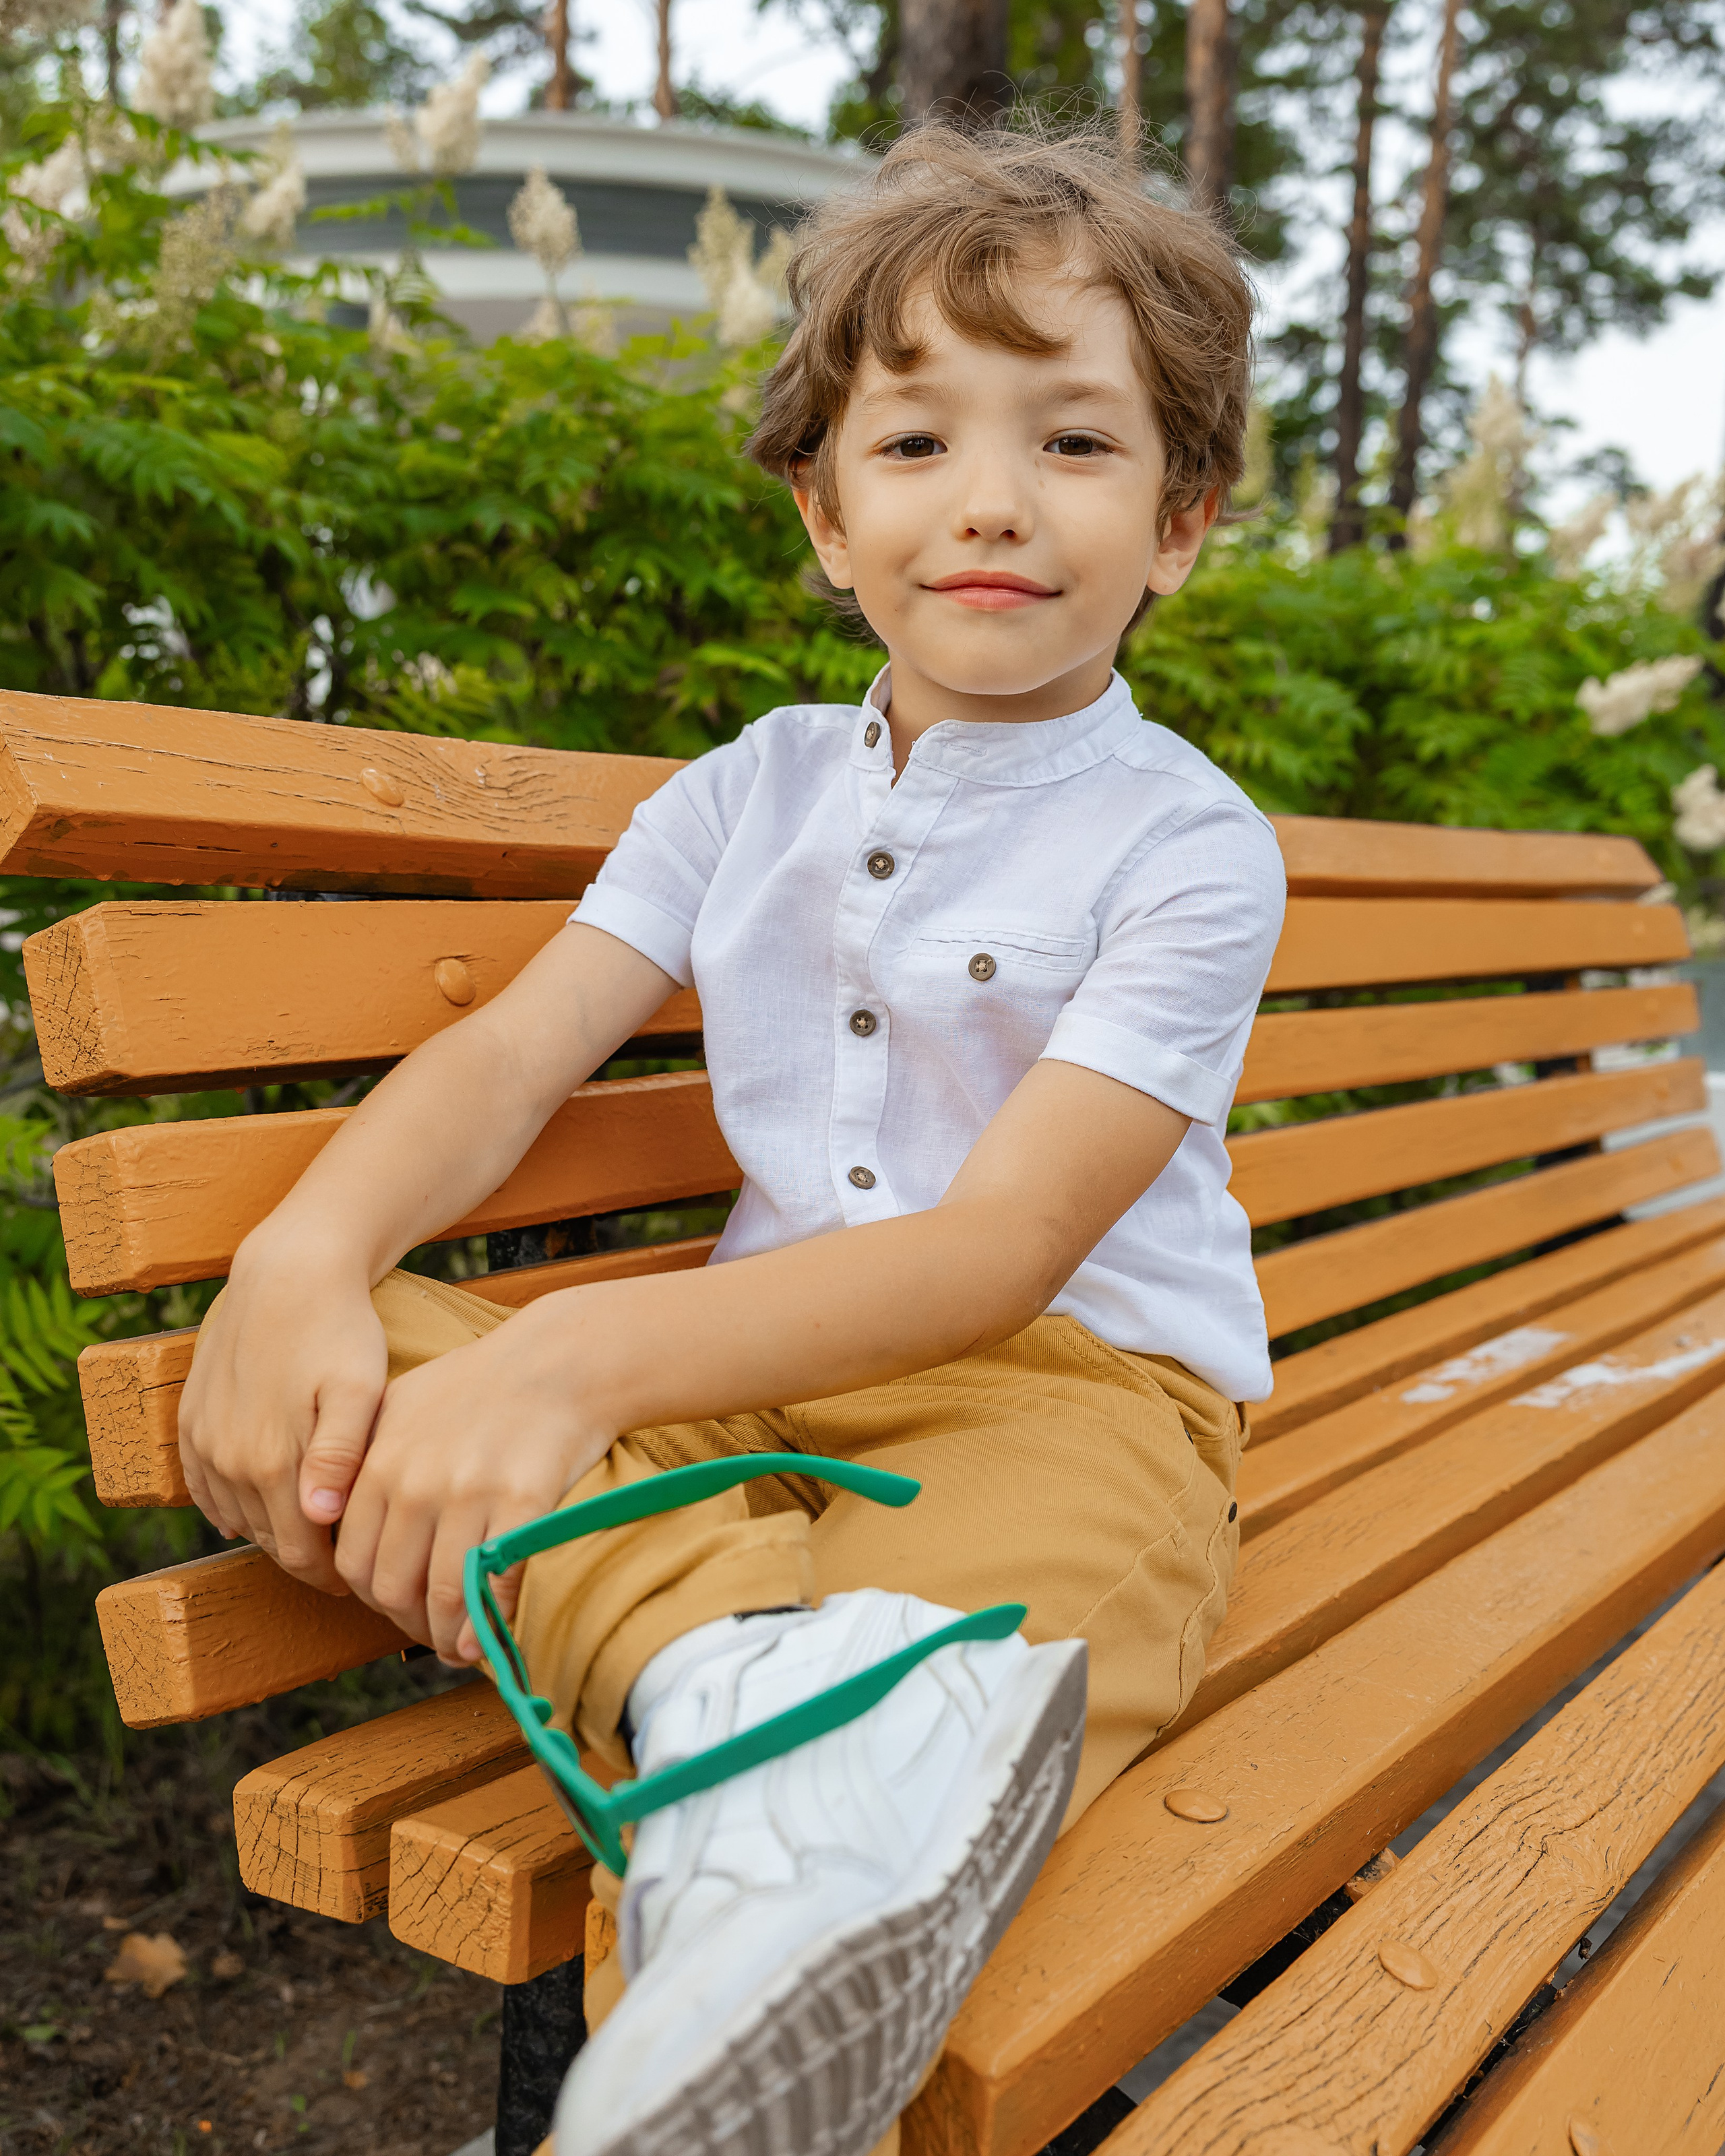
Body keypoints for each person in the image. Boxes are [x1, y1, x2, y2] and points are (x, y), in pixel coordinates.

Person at [179, 119, 1284, 2156]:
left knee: (1004, 1639)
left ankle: (754, 1853)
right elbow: (516, 1059)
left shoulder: (1187, 845)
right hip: (731, 1381)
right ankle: (762, 1693)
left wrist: (569, 1360)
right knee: (389, 1362)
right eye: (918, 442)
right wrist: (301, 1258)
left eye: (1076, 444)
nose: (992, 504)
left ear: (1183, 520)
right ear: (823, 512)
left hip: (1070, 1394)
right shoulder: (737, 795)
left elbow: (1000, 1253)